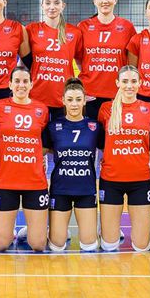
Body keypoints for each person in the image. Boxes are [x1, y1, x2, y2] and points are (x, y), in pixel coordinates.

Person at [0, 65, 49, 252]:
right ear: (10, 84)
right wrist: (4, 151)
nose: (21, 85)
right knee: (0, 244)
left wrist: (37, 156)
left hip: (34, 181)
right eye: (17, 81)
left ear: (31, 84)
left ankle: (28, 232)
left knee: (38, 244)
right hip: (6, 181)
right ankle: (1, 231)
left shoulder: (42, 109)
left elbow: (46, 141)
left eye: (25, 81)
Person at [97, 66, 150, 252]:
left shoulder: (149, 109)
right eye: (124, 81)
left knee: (141, 246)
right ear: (117, 83)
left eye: (133, 81)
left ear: (140, 83)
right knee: (109, 246)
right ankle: (106, 231)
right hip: (111, 179)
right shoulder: (106, 109)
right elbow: (100, 141)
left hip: (140, 180)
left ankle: (147, 229)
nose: (129, 85)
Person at [43, 77, 100, 252]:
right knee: (57, 245)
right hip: (60, 189)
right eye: (70, 99)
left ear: (84, 101)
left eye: (78, 99)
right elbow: (42, 151)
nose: (74, 104)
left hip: (86, 189)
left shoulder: (94, 127)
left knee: (89, 244)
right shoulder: (53, 127)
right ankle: (40, 230)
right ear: (63, 101)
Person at [78, 0, 137, 120]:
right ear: (94, 0)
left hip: (117, 94)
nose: (105, 1)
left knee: (114, 132)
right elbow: (78, 58)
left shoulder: (127, 27)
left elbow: (132, 64)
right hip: (89, 95)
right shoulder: (83, 27)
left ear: (115, 0)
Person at [26, 0, 84, 121]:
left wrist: (81, 86)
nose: (52, 7)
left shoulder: (75, 32)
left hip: (63, 97)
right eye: (47, 3)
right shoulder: (32, 29)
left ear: (63, 5)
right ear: (42, 6)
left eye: (56, 3)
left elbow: (81, 63)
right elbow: (23, 63)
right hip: (36, 94)